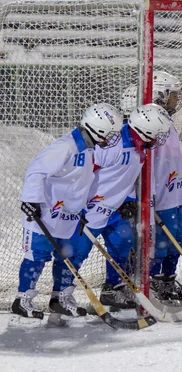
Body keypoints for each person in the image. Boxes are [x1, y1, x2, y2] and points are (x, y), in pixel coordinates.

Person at [12, 103, 123, 321]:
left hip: (68, 215)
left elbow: (82, 182)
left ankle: (59, 298)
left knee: (67, 257)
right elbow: (37, 170)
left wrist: (83, 207)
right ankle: (22, 299)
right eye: (109, 133)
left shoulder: (90, 149)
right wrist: (31, 200)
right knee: (37, 256)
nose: (111, 138)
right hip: (45, 214)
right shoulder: (66, 146)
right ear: (98, 129)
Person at [77, 103, 171, 310]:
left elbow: (126, 177)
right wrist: (77, 201)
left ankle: (113, 290)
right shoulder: (112, 144)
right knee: (76, 253)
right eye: (157, 133)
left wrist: (128, 198)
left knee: (123, 245)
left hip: (115, 209)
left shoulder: (140, 147)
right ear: (147, 131)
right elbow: (84, 169)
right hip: (90, 208)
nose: (159, 138)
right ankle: (61, 295)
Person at [148, 71, 182, 302]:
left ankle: (167, 281)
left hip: (175, 195)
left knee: (178, 242)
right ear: (160, 94)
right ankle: (152, 283)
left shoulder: (167, 121)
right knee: (160, 244)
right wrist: (150, 197)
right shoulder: (150, 122)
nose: (177, 100)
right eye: (173, 95)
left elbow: (174, 162)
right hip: (162, 197)